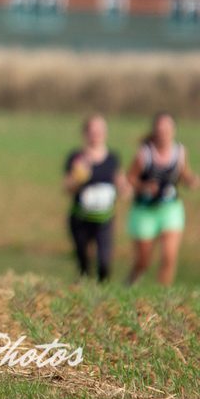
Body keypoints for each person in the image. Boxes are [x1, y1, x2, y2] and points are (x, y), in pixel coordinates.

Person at [125, 112, 198, 286]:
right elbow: (131, 178)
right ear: (154, 131)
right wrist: (145, 187)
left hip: (170, 208)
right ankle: (130, 285)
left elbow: (184, 173)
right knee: (143, 261)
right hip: (145, 210)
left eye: (167, 129)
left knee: (169, 256)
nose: (164, 133)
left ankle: (163, 296)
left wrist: (191, 180)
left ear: (174, 131)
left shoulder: (179, 152)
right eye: (160, 129)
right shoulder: (145, 154)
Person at [62, 114, 123, 282]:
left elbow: (120, 183)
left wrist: (125, 188)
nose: (96, 134)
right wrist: (78, 176)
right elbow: (67, 187)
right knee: (84, 262)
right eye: (92, 131)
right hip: (81, 219)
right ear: (85, 133)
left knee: (104, 263)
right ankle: (83, 293)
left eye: (100, 130)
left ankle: (103, 295)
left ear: (106, 133)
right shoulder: (77, 158)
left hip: (104, 219)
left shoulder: (112, 158)